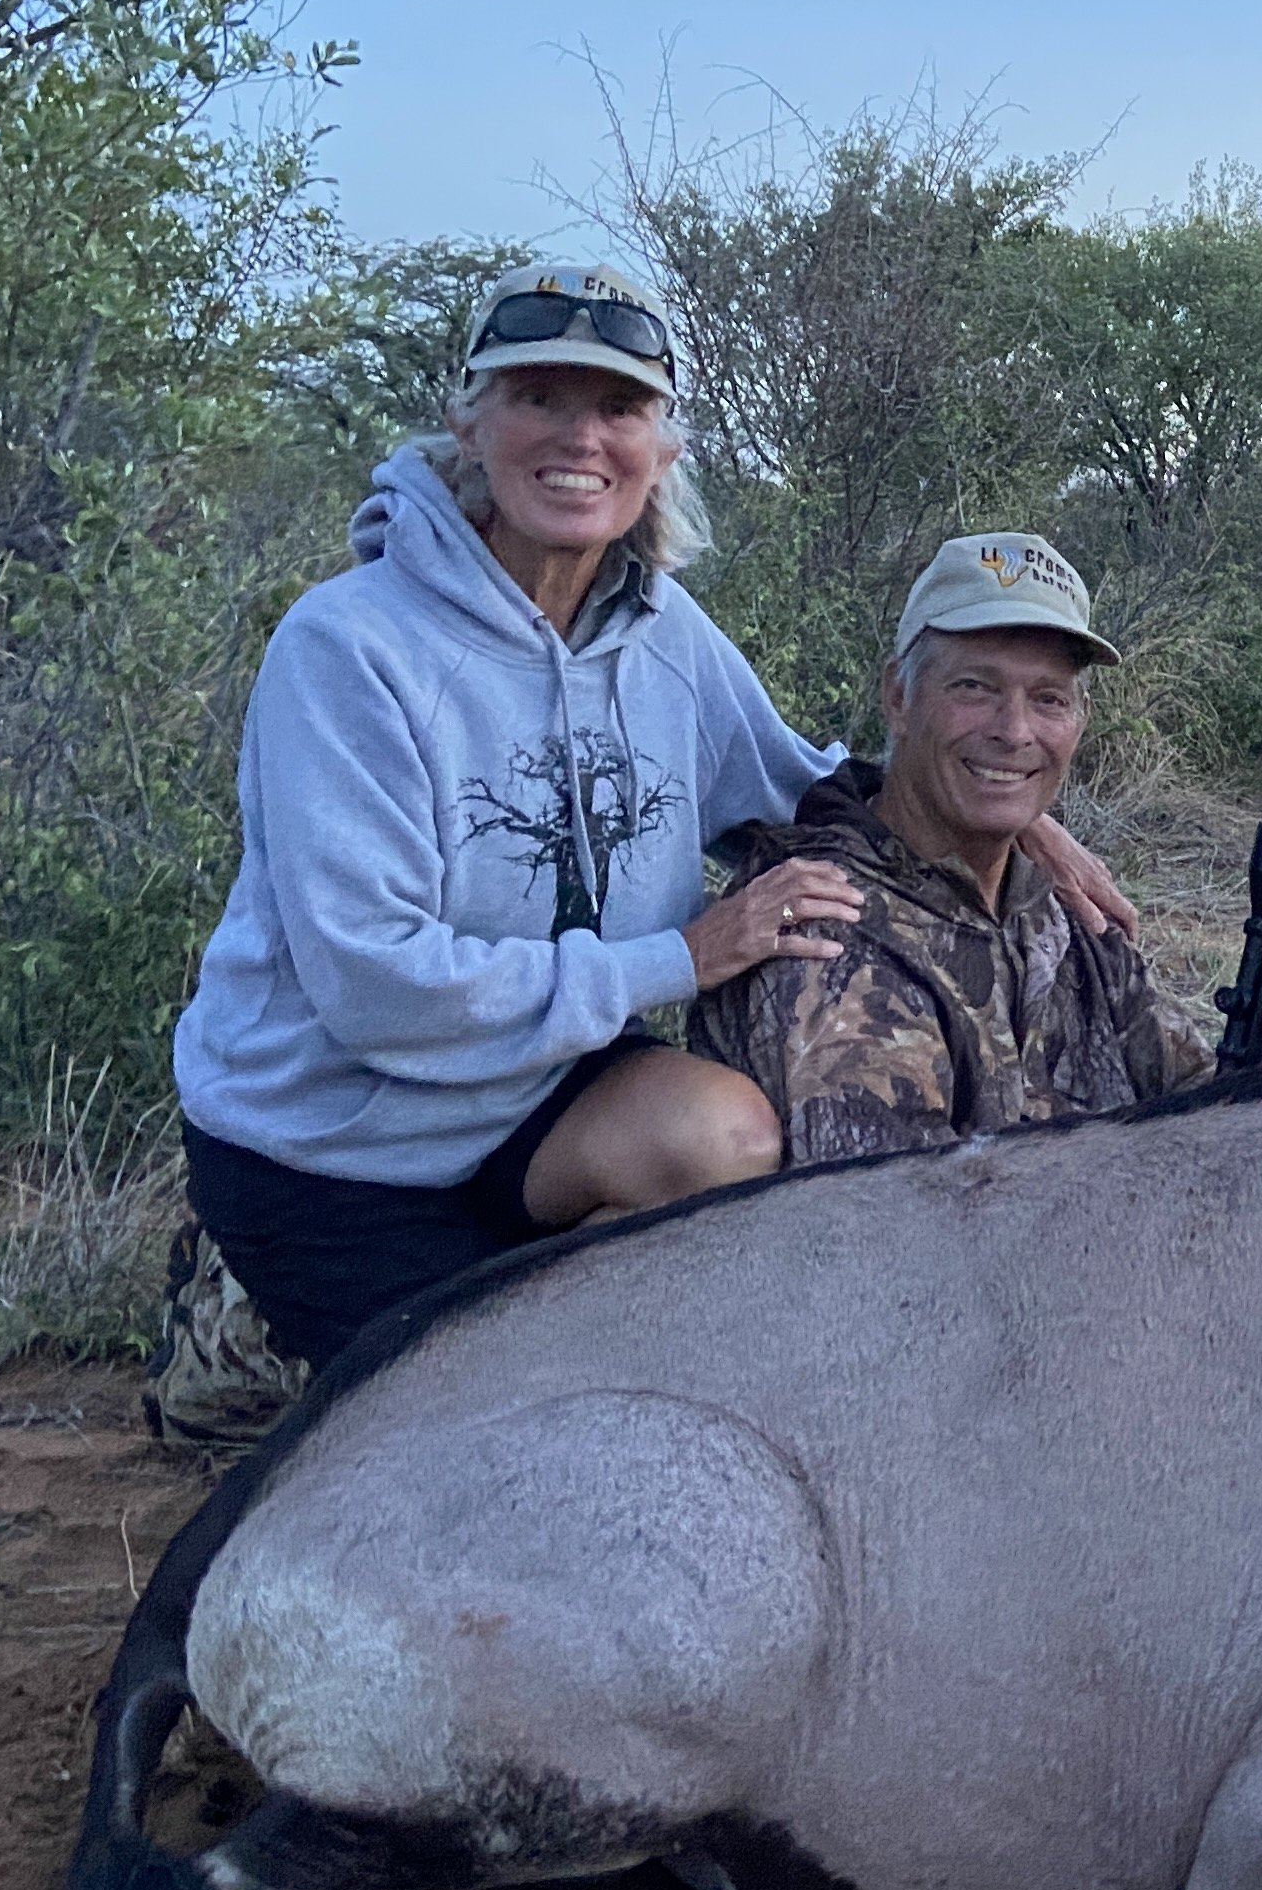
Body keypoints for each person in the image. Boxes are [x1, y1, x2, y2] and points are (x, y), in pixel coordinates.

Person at [169, 264, 1132, 1382]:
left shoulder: (661, 629)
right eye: (540, 398)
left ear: (661, 447)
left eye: (621, 407)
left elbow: (805, 785)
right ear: (469, 423)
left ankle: (509, 1327)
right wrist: (677, 958)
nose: (581, 437)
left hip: (536, 1100)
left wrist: (1012, 824)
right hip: (337, 1147)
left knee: (719, 1149)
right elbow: (376, 988)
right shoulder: (346, 649)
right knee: (474, 1465)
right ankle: (240, 1328)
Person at [695, 531, 1262, 1166]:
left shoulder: (1058, 909)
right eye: (975, 687)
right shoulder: (824, 924)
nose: (1014, 732)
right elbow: (911, 1245)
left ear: (1079, 719)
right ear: (898, 697)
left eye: (1049, 699)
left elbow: (1214, 1105)